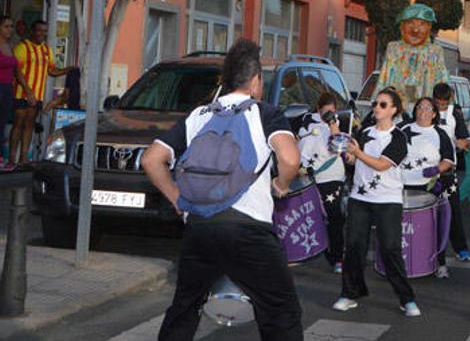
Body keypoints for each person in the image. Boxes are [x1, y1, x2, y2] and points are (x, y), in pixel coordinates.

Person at [142, 39, 304, 341]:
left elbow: (151, 159)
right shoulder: (265, 114)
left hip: (200, 227)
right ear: (256, 81)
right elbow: (290, 158)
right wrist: (281, 185)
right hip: (248, 229)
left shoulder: (199, 115)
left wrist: (178, 198)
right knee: (281, 311)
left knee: (185, 306)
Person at [333, 87, 421, 317]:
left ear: (394, 110)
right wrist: (343, 149)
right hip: (360, 197)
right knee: (353, 247)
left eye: (383, 104)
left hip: (388, 199)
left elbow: (382, 165)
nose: (377, 108)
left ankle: (406, 298)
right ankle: (350, 293)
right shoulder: (365, 132)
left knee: (390, 248)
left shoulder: (399, 137)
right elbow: (353, 161)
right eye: (375, 103)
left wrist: (358, 153)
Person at [399, 97, 456, 277]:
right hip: (402, 185)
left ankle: (439, 263)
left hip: (427, 187)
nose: (423, 110)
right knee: (401, 227)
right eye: (420, 107)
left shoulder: (440, 134)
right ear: (415, 110)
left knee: (433, 226)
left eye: (428, 107)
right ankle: (401, 262)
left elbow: (449, 159)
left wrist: (437, 169)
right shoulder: (403, 129)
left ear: (434, 114)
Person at [296, 92, 347, 273]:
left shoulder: (336, 124)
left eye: (333, 111)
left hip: (332, 176)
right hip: (310, 176)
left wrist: (332, 123)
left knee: (335, 215)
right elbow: (301, 147)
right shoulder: (307, 122)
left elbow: (338, 147)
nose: (329, 114)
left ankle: (338, 257)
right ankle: (322, 249)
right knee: (314, 216)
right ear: (318, 109)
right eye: (326, 111)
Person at [9, 20, 70, 165]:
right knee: (18, 124)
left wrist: (68, 69)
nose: (41, 34)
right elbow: (17, 72)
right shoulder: (22, 47)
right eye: (39, 30)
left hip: (37, 95)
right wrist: (28, 90)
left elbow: (52, 71)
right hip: (20, 93)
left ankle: (23, 158)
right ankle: (11, 159)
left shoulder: (46, 50)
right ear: (32, 31)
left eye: (44, 31)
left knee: (29, 124)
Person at [432, 82, 470, 262]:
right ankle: (429, 247)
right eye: (437, 103)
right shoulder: (425, 110)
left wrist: (455, 144)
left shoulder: (454, 113)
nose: (440, 107)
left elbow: (465, 141)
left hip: (448, 170)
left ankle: (461, 248)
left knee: (454, 210)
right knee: (429, 213)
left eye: (443, 103)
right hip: (428, 170)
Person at [0, 16, 35, 170]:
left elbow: (17, 71)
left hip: (8, 88)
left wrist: (28, 90)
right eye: (6, 26)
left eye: (11, 26)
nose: (10, 29)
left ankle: (1, 156)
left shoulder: (10, 46)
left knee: (3, 122)